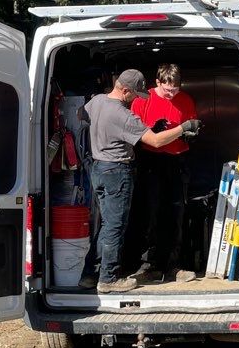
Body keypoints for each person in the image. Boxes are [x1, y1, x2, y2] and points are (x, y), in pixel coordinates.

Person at [79, 69, 200, 292]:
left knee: (106, 225)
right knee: (115, 226)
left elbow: (80, 115)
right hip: (117, 170)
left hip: (99, 167)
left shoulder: (96, 102)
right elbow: (153, 141)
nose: (137, 99)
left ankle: (89, 274)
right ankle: (109, 279)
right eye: (135, 95)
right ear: (125, 91)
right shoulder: (123, 116)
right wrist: (182, 127)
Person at [133, 63, 198, 283]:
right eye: (167, 89)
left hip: (177, 159)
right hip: (150, 158)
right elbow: (134, 131)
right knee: (149, 213)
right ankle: (147, 265)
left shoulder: (186, 100)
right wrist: (155, 130)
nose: (171, 94)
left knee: (176, 214)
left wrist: (191, 133)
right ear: (158, 82)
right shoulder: (143, 99)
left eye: (175, 89)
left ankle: (173, 266)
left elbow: (192, 127)